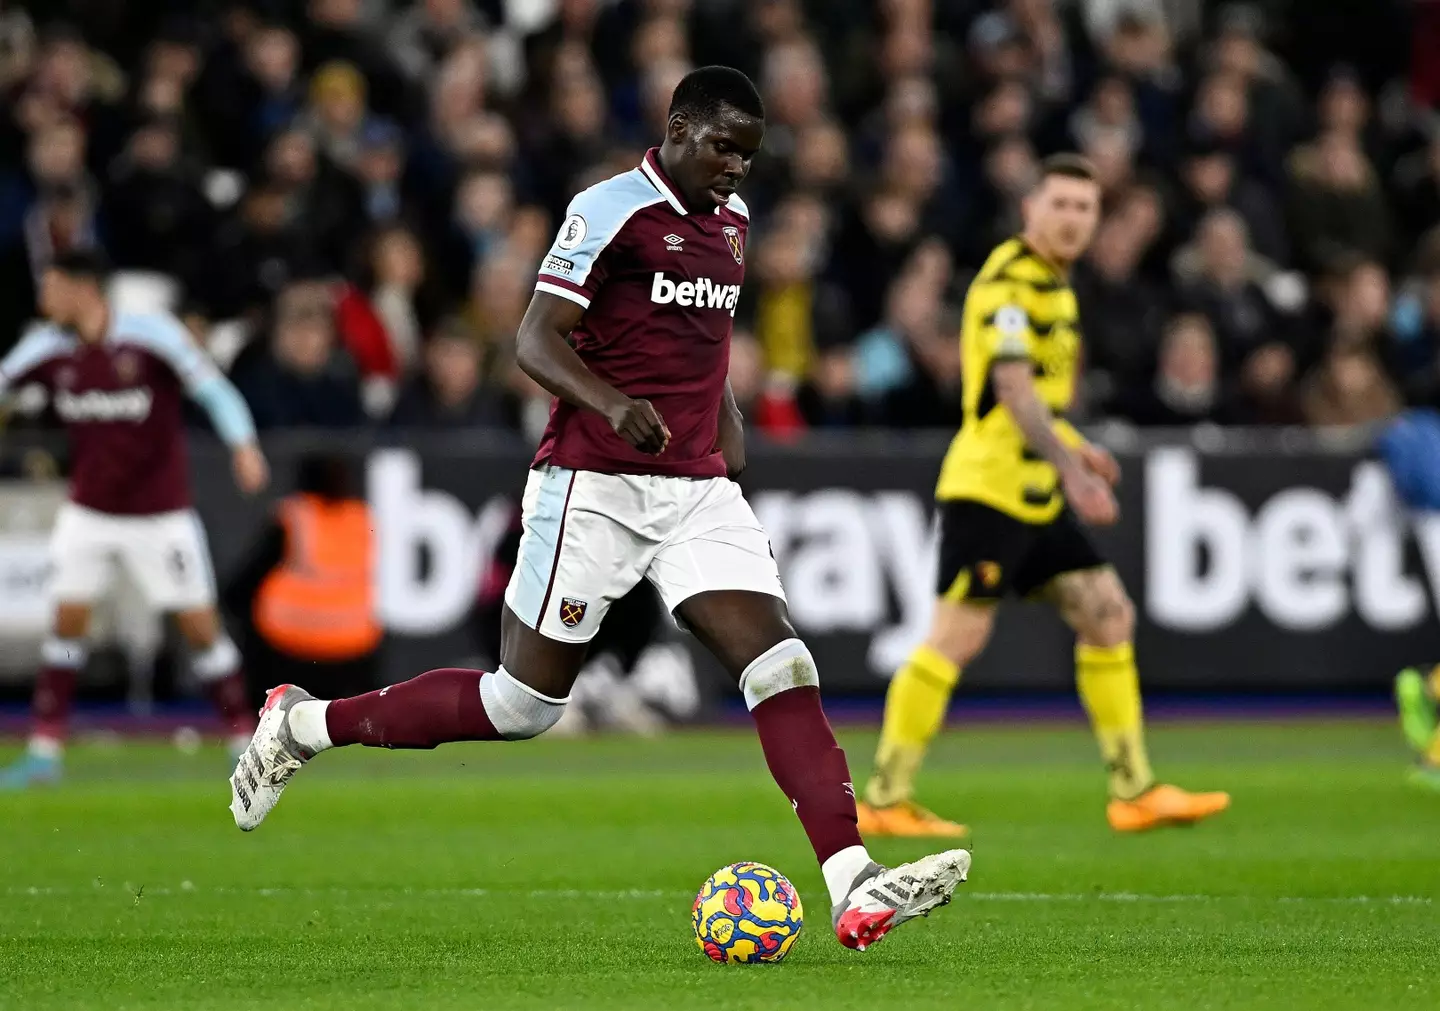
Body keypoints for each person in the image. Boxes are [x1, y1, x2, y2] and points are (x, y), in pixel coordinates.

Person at [228, 65, 970, 953]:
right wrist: (613, 404)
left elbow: (703, 343)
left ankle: (853, 883)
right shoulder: (610, 208)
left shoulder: (733, 223)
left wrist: (727, 421)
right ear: (678, 128)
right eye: (724, 146)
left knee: (781, 664)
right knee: (522, 703)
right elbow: (533, 338)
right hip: (592, 483)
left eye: (749, 154)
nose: (737, 167)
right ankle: (303, 723)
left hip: (696, 488)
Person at [855, 155, 1231, 837]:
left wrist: (1074, 448)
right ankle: (883, 797)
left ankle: (1133, 789)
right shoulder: (1009, 283)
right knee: (957, 635)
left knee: (1107, 613)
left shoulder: (1056, 286)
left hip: (1032, 490)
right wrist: (1073, 471)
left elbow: (1040, 404)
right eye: (1060, 204)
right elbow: (1013, 393)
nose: (1073, 219)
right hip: (989, 490)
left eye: (1085, 207)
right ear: (1030, 208)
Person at [0, 250, 269, 788]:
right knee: (67, 622)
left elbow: (213, 389)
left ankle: (245, 738)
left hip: (160, 515)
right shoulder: (47, 345)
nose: (43, 299)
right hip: (89, 512)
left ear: (84, 288)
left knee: (200, 629)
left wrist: (243, 444)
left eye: (52, 287)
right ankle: (45, 750)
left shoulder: (152, 336)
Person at [225, 452, 381, 702]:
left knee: (243, 610)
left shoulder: (295, 516)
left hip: (290, 645)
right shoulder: (362, 517)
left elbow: (248, 579)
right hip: (354, 649)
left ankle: (253, 710)